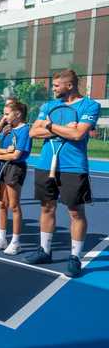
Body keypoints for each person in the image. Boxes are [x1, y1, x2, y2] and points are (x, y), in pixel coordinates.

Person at [25, 69, 100, 278]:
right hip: (45, 164)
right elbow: (33, 132)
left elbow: (78, 134)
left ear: (69, 86)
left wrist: (49, 125)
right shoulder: (48, 106)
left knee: (75, 212)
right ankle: (45, 251)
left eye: (57, 86)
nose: (53, 89)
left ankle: (75, 257)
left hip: (73, 167)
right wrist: (58, 127)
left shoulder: (90, 105)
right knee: (46, 207)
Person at [0, 101, 31, 255]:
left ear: (18, 114)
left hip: (15, 168)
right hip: (1, 166)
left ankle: (15, 241)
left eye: (7, 114)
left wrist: (1, 154)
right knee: (1, 203)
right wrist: (3, 152)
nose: (4, 117)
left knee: (13, 205)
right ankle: (1, 238)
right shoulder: (6, 129)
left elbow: (16, 155)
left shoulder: (25, 130)